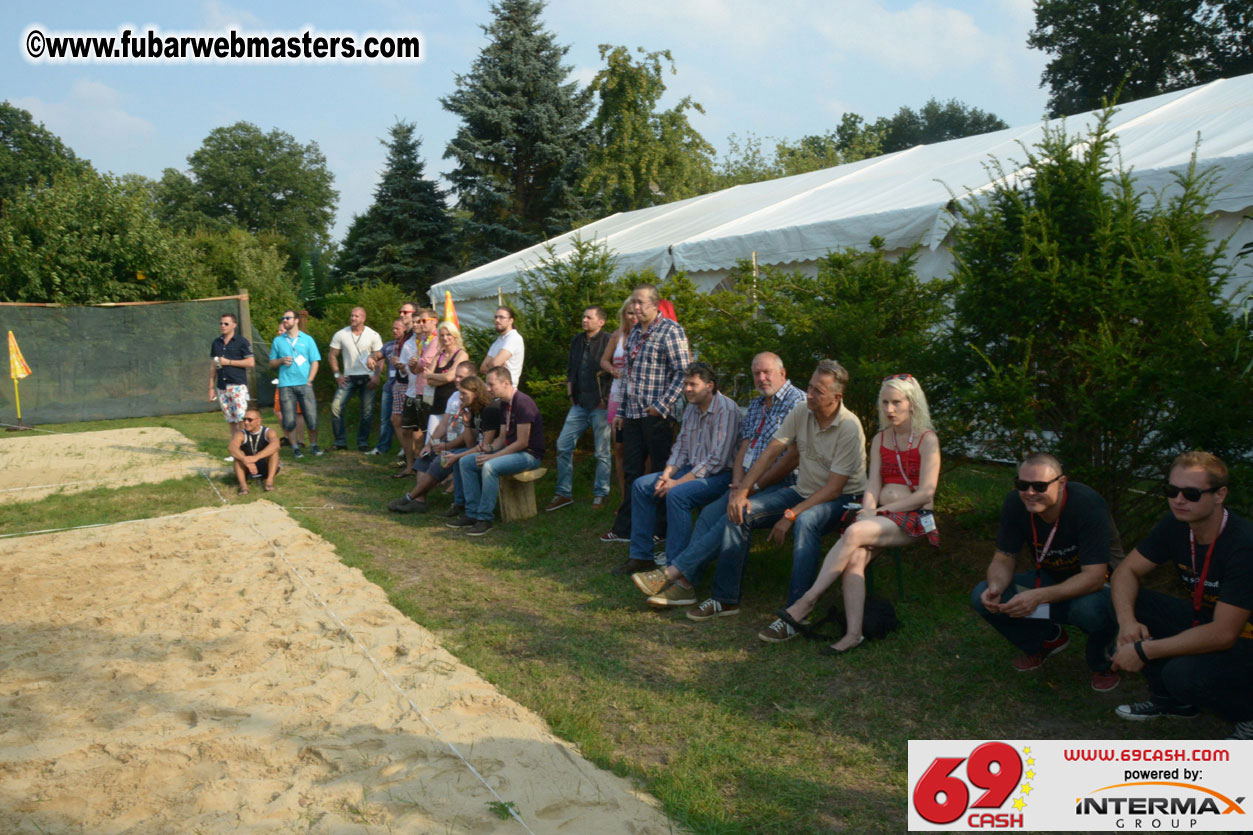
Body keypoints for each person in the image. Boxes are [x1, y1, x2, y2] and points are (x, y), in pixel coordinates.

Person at [672, 360, 867, 642]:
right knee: (741, 511)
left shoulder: (849, 427)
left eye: (818, 391)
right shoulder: (803, 411)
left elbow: (834, 489)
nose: (809, 394)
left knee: (807, 521)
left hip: (843, 498)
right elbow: (770, 451)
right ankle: (725, 598)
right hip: (803, 490)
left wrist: (790, 516)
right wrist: (742, 490)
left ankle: (796, 612)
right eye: (810, 387)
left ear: (837, 397)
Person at [776, 374, 940, 653]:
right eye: (885, 402)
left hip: (912, 519)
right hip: (879, 519)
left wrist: (880, 510)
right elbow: (873, 483)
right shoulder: (881, 439)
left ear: (912, 404)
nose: (889, 409)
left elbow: (926, 494)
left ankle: (809, 599)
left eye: (896, 402)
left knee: (853, 532)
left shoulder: (927, 440)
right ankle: (853, 634)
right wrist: (868, 509)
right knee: (855, 560)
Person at [631, 352, 806, 610]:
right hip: (746, 481)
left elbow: (792, 458)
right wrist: (738, 484)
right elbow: (743, 448)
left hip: (780, 484)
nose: (761, 378)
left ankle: (672, 575)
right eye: (756, 373)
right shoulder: (758, 405)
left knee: (731, 516)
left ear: (783, 372)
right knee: (708, 515)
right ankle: (685, 586)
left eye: (766, 372)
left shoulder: (797, 401)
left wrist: (750, 487)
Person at [1109, 452, 1253, 737]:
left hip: (1244, 636)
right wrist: (1127, 624)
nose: (1178, 500)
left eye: (1191, 493)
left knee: (1181, 675)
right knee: (1129, 601)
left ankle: (1247, 716)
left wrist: (1143, 650)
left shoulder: (1244, 545)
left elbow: (1224, 633)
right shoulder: (1176, 523)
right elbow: (1125, 572)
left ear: (1220, 494)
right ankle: (1173, 702)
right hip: (1208, 619)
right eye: (1171, 491)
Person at [971, 453, 1122, 692]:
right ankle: (1047, 639)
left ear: (1061, 483)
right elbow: (1004, 557)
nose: (1029, 493)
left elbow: (1094, 577)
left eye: (1039, 486)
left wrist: (1038, 597)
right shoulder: (1016, 503)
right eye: (1022, 485)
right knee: (982, 595)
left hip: (1104, 584)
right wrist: (997, 586)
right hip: (1052, 578)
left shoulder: (1087, 504)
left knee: (1087, 610)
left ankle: (1104, 660)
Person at [621, 362, 741, 577]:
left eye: (692, 385)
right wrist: (667, 475)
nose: (686, 389)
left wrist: (676, 483)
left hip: (721, 476)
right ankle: (641, 556)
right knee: (641, 486)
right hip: (690, 469)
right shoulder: (691, 409)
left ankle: (675, 563)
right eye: (685, 384)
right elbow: (681, 447)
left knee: (677, 495)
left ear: (710, 386)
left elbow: (717, 460)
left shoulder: (727, 409)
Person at [603, 284, 693, 562]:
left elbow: (684, 371)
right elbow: (628, 378)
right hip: (631, 415)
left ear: (655, 305)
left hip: (657, 417)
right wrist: (621, 411)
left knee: (659, 472)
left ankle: (660, 527)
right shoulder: (633, 336)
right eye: (634, 303)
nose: (636, 308)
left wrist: (662, 406)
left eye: (641, 303)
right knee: (632, 471)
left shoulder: (670, 331)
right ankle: (627, 527)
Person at [448, 366, 544, 537]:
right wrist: (489, 448)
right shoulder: (504, 404)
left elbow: (522, 442)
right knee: (466, 461)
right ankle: (472, 513)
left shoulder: (522, 402)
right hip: (512, 452)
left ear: (506, 383)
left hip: (529, 455)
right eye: (488, 384)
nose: (488, 388)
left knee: (490, 466)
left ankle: (485, 518)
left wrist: (492, 456)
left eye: (491, 385)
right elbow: (501, 439)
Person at [389, 360, 476, 514]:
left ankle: (411, 497)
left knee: (439, 461)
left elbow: (469, 435)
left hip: (463, 445)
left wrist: (446, 446)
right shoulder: (455, 396)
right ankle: (420, 501)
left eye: (461, 377)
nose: (456, 380)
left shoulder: (472, 398)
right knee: (425, 456)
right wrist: (429, 444)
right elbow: (443, 424)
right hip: (448, 441)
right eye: (456, 376)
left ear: (472, 378)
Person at [548, 306, 613, 511]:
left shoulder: (609, 340)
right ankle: (563, 493)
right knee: (563, 445)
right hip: (579, 404)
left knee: (602, 452)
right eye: (583, 316)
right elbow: (570, 369)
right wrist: (570, 394)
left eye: (589, 317)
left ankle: (601, 493)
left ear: (600, 322)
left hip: (600, 405)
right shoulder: (577, 340)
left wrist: (606, 398)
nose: (584, 320)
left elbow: (614, 371)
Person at [436, 374, 503, 520]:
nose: (460, 397)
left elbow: (486, 445)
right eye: (460, 393)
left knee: (462, 459)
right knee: (458, 454)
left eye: (463, 393)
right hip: (482, 448)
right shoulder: (474, 409)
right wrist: (466, 422)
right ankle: (460, 503)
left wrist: (457, 457)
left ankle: (472, 510)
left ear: (476, 392)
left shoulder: (490, 409)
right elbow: (470, 444)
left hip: (496, 451)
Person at [268, 309, 323, 458]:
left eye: (288, 318)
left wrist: (310, 381)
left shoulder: (307, 340)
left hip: (305, 384)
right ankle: (295, 447)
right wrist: (281, 360)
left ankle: (314, 445)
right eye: (283, 318)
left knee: (311, 417)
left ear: (296, 320)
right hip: (286, 385)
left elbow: (315, 362)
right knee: (289, 419)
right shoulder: (278, 341)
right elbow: (271, 363)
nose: (285, 320)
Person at [328, 306, 383, 451]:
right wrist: (336, 375)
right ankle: (340, 441)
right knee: (336, 407)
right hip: (348, 377)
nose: (353, 318)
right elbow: (332, 354)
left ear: (363, 318)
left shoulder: (373, 335)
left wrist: (377, 376)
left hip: (368, 377)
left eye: (357, 316)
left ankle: (362, 442)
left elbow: (380, 357)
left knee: (367, 412)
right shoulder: (341, 334)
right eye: (352, 315)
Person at [600, 299, 639, 499]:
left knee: (642, 449)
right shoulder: (617, 335)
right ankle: (625, 497)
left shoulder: (647, 335)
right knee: (619, 447)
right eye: (629, 313)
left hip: (639, 397)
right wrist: (613, 370)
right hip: (617, 396)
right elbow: (604, 360)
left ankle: (642, 494)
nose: (633, 317)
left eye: (636, 313)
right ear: (624, 315)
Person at [397, 308, 439, 477]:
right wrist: (408, 366)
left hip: (427, 390)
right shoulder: (414, 342)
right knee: (407, 429)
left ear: (433, 321)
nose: (419, 325)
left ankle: (424, 468)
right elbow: (413, 369)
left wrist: (414, 364)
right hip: (413, 390)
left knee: (424, 431)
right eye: (417, 322)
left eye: (422, 321)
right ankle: (412, 465)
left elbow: (423, 365)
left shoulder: (435, 340)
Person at [208, 311, 255, 438]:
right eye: (221, 323)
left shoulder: (242, 342)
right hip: (222, 387)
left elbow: (251, 362)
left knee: (241, 419)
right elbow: (213, 365)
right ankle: (235, 450)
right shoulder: (216, 342)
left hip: (237, 385)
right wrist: (211, 387)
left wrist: (228, 362)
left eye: (226, 323)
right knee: (231, 420)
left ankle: (245, 447)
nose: (223, 326)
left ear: (234, 325)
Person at [367, 317, 405, 456]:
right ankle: (382, 448)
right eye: (393, 328)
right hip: (389, 387)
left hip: (404, 388)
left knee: (402, 420)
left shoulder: (409, 345)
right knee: (385, 419)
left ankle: (405, 448)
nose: (394, 331)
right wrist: (371, 357)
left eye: (397, 328)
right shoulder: (389, 345)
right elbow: (378, 354)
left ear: (405, 329)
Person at [227, 405, 280, 493]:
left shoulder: (268, 432)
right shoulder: (241, 434)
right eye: (245, 419)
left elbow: (276, 444)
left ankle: (269, 482)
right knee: (238, 457)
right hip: (247, 467)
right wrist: (245, 460)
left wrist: (256, 457)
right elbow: (232, 448)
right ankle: (244, 487)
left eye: (250, 420)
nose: (246, 422)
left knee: (274, 452)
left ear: (259, 421)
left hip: (265, 465)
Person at [481, 306, 525, 388]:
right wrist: (496, 364)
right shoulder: (497, 342)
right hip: (492, 389)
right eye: (496, 317)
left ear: (511, 320)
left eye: (501, 317)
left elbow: (495, 363)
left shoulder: (514, 337)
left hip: (507, 389)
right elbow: (483, 368)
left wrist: (493, 362)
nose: (497, 320)